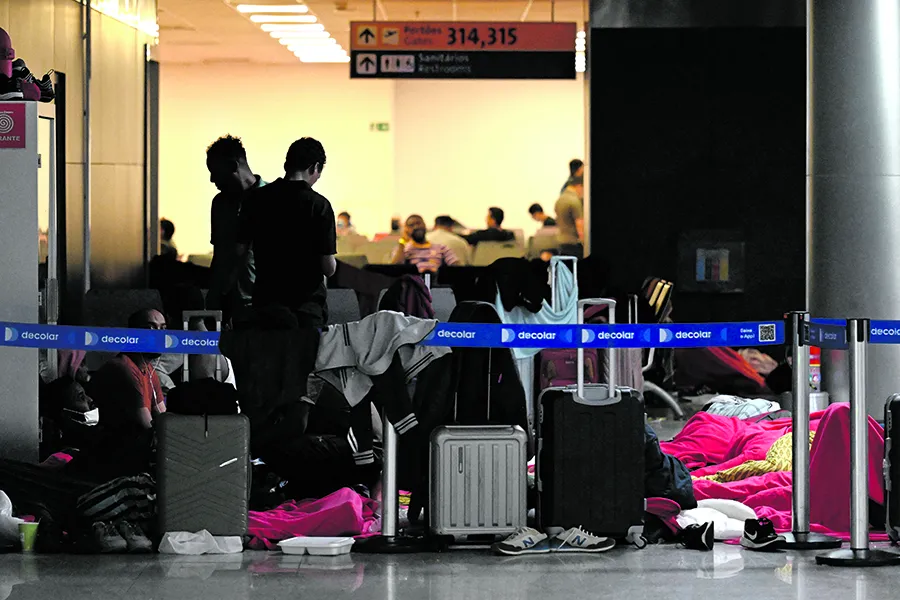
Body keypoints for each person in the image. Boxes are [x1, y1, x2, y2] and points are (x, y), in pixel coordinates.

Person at [235, 137, 337, 327]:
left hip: (266, 304)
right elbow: (328, 268)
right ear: (315, 167)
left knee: (269, 355)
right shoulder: (319, 205)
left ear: (286, 164)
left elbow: (240, 251)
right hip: (306, 309)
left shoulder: (255, 199)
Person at [206, 135, 266, 323]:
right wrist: (214, 297)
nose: (211, 179)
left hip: (263, 303)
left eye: (215, 172)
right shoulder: (219, 203)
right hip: (227, 304)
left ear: (233, 166)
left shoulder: (272, 199)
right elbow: (219, 254)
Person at [391, 214, 459, 273]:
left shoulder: (441, 248)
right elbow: (395, 268)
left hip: (436, 285)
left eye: (418, 223)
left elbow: (457, 267)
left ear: (424, 225)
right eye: (411, 225)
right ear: (406, 229)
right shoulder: (403, 250)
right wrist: (402, 242)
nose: (416, 227)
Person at [555, 175, 585, 259]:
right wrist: (585, 243)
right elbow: (579, 224)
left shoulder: (560, 200)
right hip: (573, 243)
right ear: (579, 186)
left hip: (562, 242)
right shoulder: (574, 201)